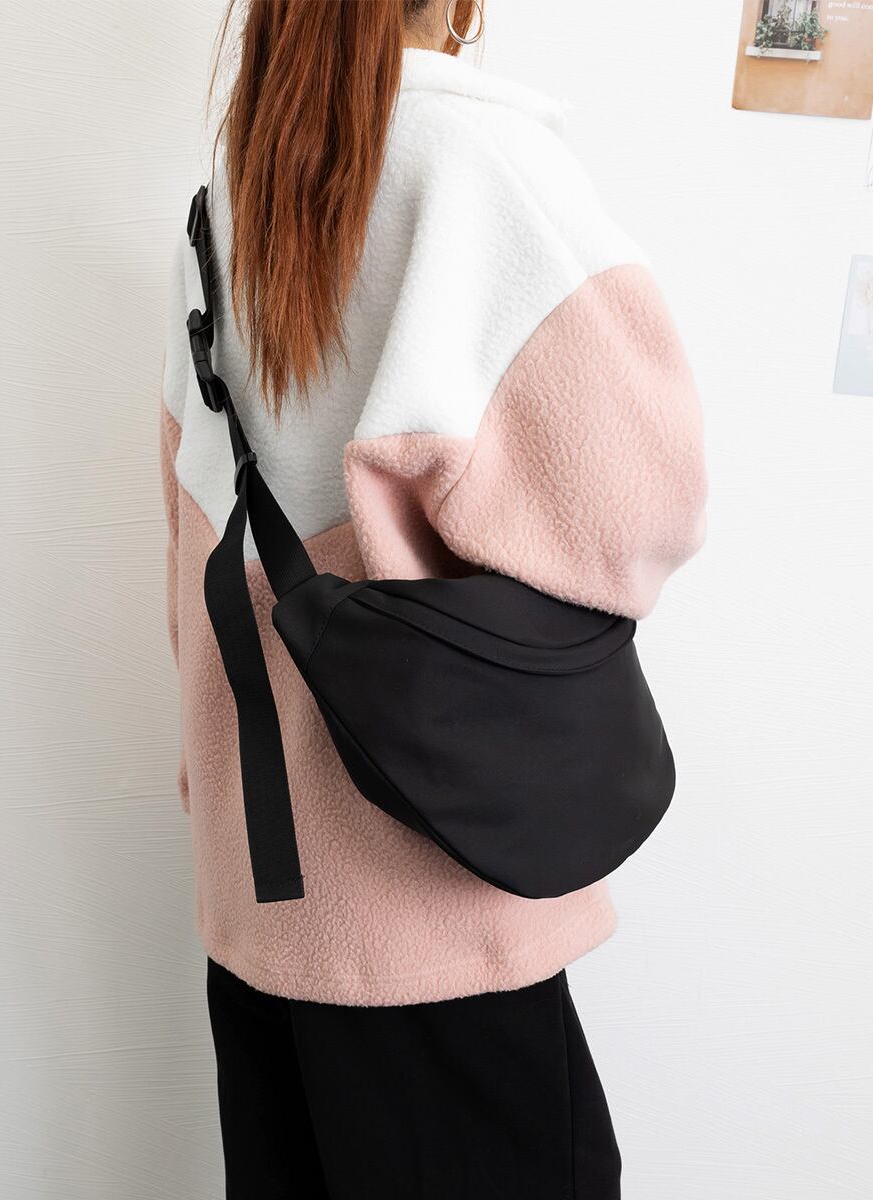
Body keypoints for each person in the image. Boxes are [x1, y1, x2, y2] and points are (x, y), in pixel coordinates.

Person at [158, 1, 708, 1195]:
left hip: (264, 888)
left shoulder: (229, 191)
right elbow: (646, 505)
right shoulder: (475, 162)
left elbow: (187, 523)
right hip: (432, 899)